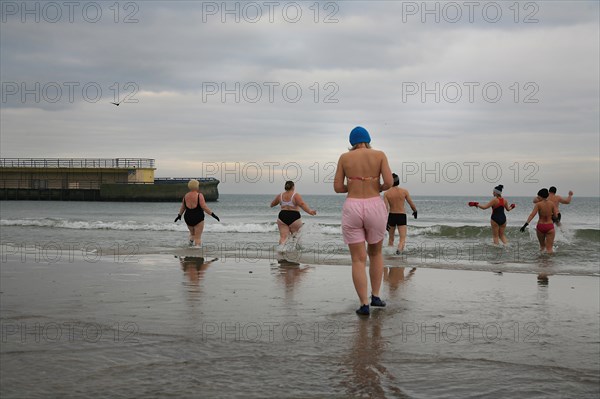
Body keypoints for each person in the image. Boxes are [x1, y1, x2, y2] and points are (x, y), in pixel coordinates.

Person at [334, 126, 393, 316]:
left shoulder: (344, 158)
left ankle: (364, 304)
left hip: (353, 206)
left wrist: (352, 186)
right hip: (375, 204)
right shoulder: (380, 155)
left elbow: (337, 187)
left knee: (358, 259)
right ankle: (376, 296)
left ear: (352, 142)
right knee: (375, 254)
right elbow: (389, 182)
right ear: (368, 139)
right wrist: (377, 185)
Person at [174, 179, 220, 247]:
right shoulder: (199, 195)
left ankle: (189, 246)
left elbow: (183, 207)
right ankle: (197, 251)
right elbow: (204, 207)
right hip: (198, 217)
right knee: (198, 237)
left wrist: (179, 215)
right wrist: (213, 215)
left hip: (188, 217)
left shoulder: (186, 196)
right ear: (196, 186)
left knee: (192, 234)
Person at [270, 181, 316, 247]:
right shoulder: (295, 195)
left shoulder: (280, 195)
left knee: (283, 237)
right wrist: (310, 211)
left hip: (282, 216)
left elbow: (273, 203)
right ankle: (295, 252)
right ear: (293, 187)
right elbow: (302, 204)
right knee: (296, 237)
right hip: (294, 216)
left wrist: (271, 205)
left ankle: (281, 249)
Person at [384, 173, 417, 254]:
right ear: (398, 181)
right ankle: (399, 251)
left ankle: (389, 254)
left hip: (391, 216)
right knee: (402, 239)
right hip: (401, 216)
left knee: (391, 239)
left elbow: (385, 209)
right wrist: (415, 211)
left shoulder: (386, 193)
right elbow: (411, 203)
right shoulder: (404, 191)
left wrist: (385, 221)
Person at [521, 188, 559, 254]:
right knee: (549, 249)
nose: (537, 197)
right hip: (549, 226)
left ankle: (541, 262)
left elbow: (532, 215)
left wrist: (525, 225)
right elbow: (555, 216)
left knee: (542, 247)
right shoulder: (552, 204)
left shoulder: (538, 204)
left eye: (538, 196)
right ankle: (550, 262)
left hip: (540, 226)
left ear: (541, 196)